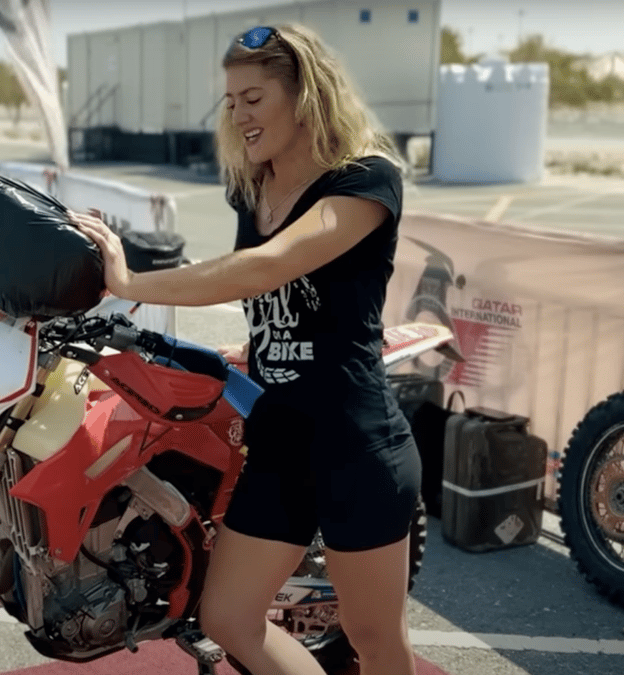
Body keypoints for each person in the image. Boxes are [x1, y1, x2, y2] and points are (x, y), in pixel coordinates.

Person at [72, 23, 420, 675]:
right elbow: (240, 271)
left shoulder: (367, 183)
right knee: (227, 616)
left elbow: (265, 268)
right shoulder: (251, 190)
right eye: (231, 100)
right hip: (279, 440)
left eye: (254, 97)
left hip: (356, 445)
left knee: (375, 641)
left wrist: (130, 283)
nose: (239, 113)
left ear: (306, 95)